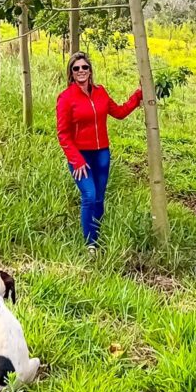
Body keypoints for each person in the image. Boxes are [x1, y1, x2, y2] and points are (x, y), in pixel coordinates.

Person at [56, 51, 143, 255]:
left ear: (90, 70)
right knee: (89, 194)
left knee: (99, 198)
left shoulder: (100, 92)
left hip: (102, 154)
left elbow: (119, 113)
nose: (81, 71)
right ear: (71, 72)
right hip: (81, 157)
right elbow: (63, 134)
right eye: (76, 68)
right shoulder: (66, 98)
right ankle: (90, 245)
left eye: (84, 67)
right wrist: (76, 160)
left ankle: (97, 234)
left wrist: (139, 95)